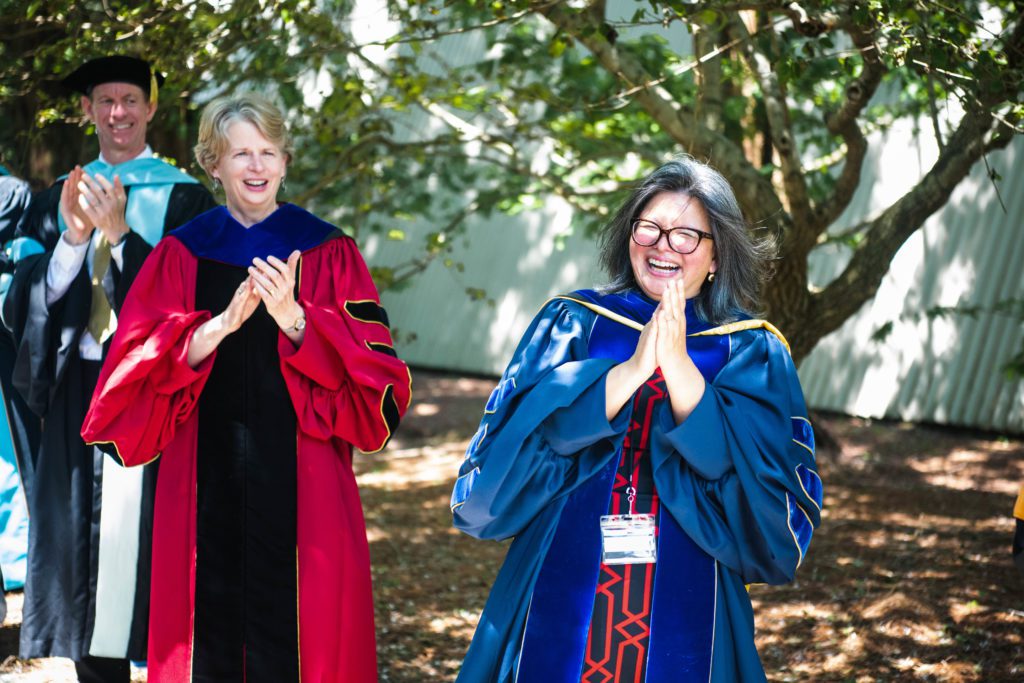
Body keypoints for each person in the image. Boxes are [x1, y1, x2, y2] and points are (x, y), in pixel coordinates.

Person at [450, 157, 824, 682]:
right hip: (560, 566)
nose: (663, 245)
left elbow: (764, 488)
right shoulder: (575, 322)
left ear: (718, 255)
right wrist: (629, 372)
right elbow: (509, 452)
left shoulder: (750, 350)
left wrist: (680, 370)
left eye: (687, 235)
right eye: (648, 227)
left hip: (693, 578)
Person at [81, 92, 411, 683]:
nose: (255, 167)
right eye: (240, 154)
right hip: (199, 478)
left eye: (267, 153)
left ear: (285, 162)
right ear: (214, 165)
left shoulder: (327, 250)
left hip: (306, 476)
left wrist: (297, 321)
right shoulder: (183, 253)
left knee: (307, 633)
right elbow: (134, 365)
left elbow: (377, 380)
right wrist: (218, 326)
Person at [3, 56, 215, 682]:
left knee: (143, 552)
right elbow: (24, 304)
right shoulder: (57, 197)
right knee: (77, 561)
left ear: (150, 109)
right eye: (104, 101)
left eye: (129, 100)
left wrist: (121, 238)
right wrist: (71, 240)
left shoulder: (185, 198)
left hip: (150, 394)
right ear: (88, 111)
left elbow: (191, 302)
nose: (116, 113)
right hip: (77, 393)